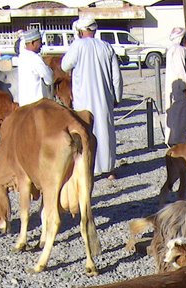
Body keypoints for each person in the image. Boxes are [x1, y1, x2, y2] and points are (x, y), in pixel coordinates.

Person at [61, 15, 121, 179]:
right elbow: (116, 76)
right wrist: (117, 96)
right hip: (104, 98)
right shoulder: (106, 46)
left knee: (86, 132)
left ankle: (88, 167)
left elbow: (65, 65)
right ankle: (108, 169)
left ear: (81, 30)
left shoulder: (78, 45)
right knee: (105, 131)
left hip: (83, 99)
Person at [163, 27, 186, 146]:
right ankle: (182, 142)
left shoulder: (171, 50)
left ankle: (177, 140)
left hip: (177, 89)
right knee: (183, 116)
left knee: (177, 115)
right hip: (182, 91)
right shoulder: (179, 50)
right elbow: (181, 70)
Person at [16, 28, 53, 106]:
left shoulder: (22, 57)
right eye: (39, 42)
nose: (41, 46)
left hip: (24, 104)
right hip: (37, 106)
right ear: (33, 43)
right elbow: (49, 79)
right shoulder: (35, 58)